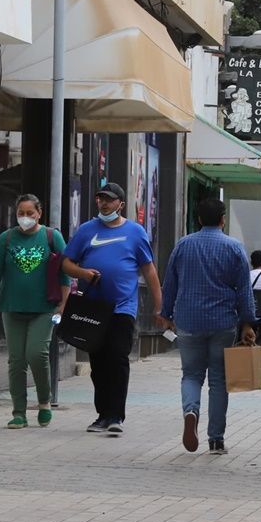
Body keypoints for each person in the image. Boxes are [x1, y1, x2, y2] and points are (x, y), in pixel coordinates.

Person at [61, 182, 162, 435]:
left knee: (117, 359)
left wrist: (160, 305)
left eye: (109, 200)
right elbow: (66, 263)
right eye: (101, 199)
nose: (104, 204)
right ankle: (102, 415)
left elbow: (148, 269)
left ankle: (116, 416)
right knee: (98, 364)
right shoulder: (86, 230)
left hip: (122, 308)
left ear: (121, 204)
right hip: (94, 309)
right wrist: (83, 272)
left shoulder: (136, 232)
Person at [160, 198, 257, 455]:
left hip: (188, 321)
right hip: (222, 322)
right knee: (218, 380)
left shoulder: (183, 245)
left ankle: (191, 411)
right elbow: (244, 292)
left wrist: (166, 314)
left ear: (199, 219)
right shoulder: (234, 248)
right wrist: (247, 322)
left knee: (191, 374)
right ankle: (216, 440)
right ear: (223, 219)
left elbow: (170, 283)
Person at [0, 194, 70, 428]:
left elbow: (65, 273)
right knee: (16, 360)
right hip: (11, 308)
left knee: (36, 353)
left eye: (29, 213)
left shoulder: (52, 237)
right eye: (20, 213)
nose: (25, 218)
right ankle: (19, 412)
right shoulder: (6, 239)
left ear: (39, 213)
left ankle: (44, 401)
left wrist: (63, 305)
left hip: (44, 308)